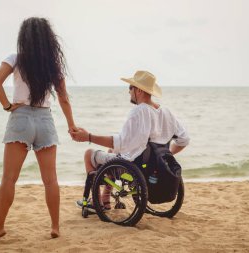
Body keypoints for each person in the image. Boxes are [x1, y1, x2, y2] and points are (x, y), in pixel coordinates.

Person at [0, 17, 77, 241]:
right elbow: (64, 98)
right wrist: (71, 125)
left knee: (9, 179)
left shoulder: (16, 59)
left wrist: (8, 106)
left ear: (24, 37)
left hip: (20, 118)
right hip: (45, 120)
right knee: (51, 180)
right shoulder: (52, 65)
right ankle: (55, 226)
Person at [71, 70, 190, 210]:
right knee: (112, 151)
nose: (129, 92)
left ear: (138, 90)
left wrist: (88, 137)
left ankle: (96, 202)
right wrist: (161, 158)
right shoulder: (166, 112)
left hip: (132, 168)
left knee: (89, 154)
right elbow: (184, 139)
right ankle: (105, 198)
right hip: (151, 167)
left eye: (130, 88)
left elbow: (121, 142)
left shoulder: (139, 111)